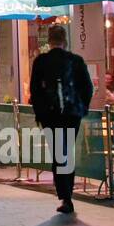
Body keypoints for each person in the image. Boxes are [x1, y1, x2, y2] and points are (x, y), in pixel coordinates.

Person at [29, 23, 93, 215]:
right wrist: (82, 107)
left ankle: (64, 195)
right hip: (72, 114)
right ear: (65, 41)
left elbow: (35, 90)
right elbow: (87, 87)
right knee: (67, 152)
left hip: (50, 115)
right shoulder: (76, 61)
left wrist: (40, 113)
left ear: (49, 41)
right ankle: (67, 195)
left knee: (58, 153)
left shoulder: (41, 62)